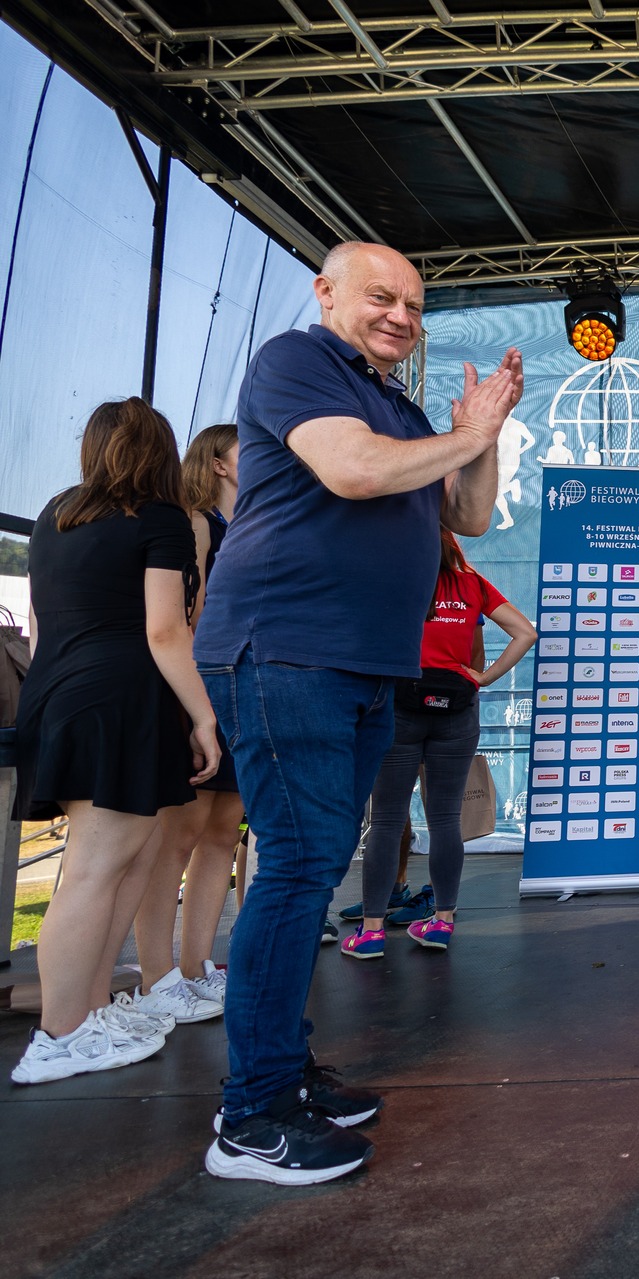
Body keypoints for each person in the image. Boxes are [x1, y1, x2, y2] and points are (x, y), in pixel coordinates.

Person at [194, 241, 523, 1185]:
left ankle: (282, 1071)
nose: (401, 318)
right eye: (382, 297)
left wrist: (482, 435)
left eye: (414, 306)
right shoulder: (297, 361)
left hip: (367, 667)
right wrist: (462, 435)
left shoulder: (400, 404)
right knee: (299, 869)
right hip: (289, 652)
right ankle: (251, 1118)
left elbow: (468, 516)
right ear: (326, 292)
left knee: (313, 870)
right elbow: (352, 471)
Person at [9, 398, 221, 1085]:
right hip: (120, 701)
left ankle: (89, 1010)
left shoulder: (56, 514)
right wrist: (204, 717)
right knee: (96, 870)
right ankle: (60, 1035)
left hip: (60, 695)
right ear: (161, 451)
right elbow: (166, 629)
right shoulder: (159, 519)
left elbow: (39, 626)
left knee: (123, 862)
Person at [343, 530, 535, 957]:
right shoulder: (473, 584)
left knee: (387, 820)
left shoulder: (393, 579)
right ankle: (442, 922)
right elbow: (525, 632)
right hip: (457, 708)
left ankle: (371, 932)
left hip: (399, 706)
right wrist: (483, 678)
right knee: (446, 818)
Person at [130, 424, 246, 1022]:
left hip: (247, 686)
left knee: (224, 830)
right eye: (247, 449)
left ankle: (199, 966)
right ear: (218, 464)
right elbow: (185, 617)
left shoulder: (256, 522)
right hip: (204, 685)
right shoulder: (198, 523)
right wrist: (198, 703)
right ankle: (157, 974)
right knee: (179, 834)